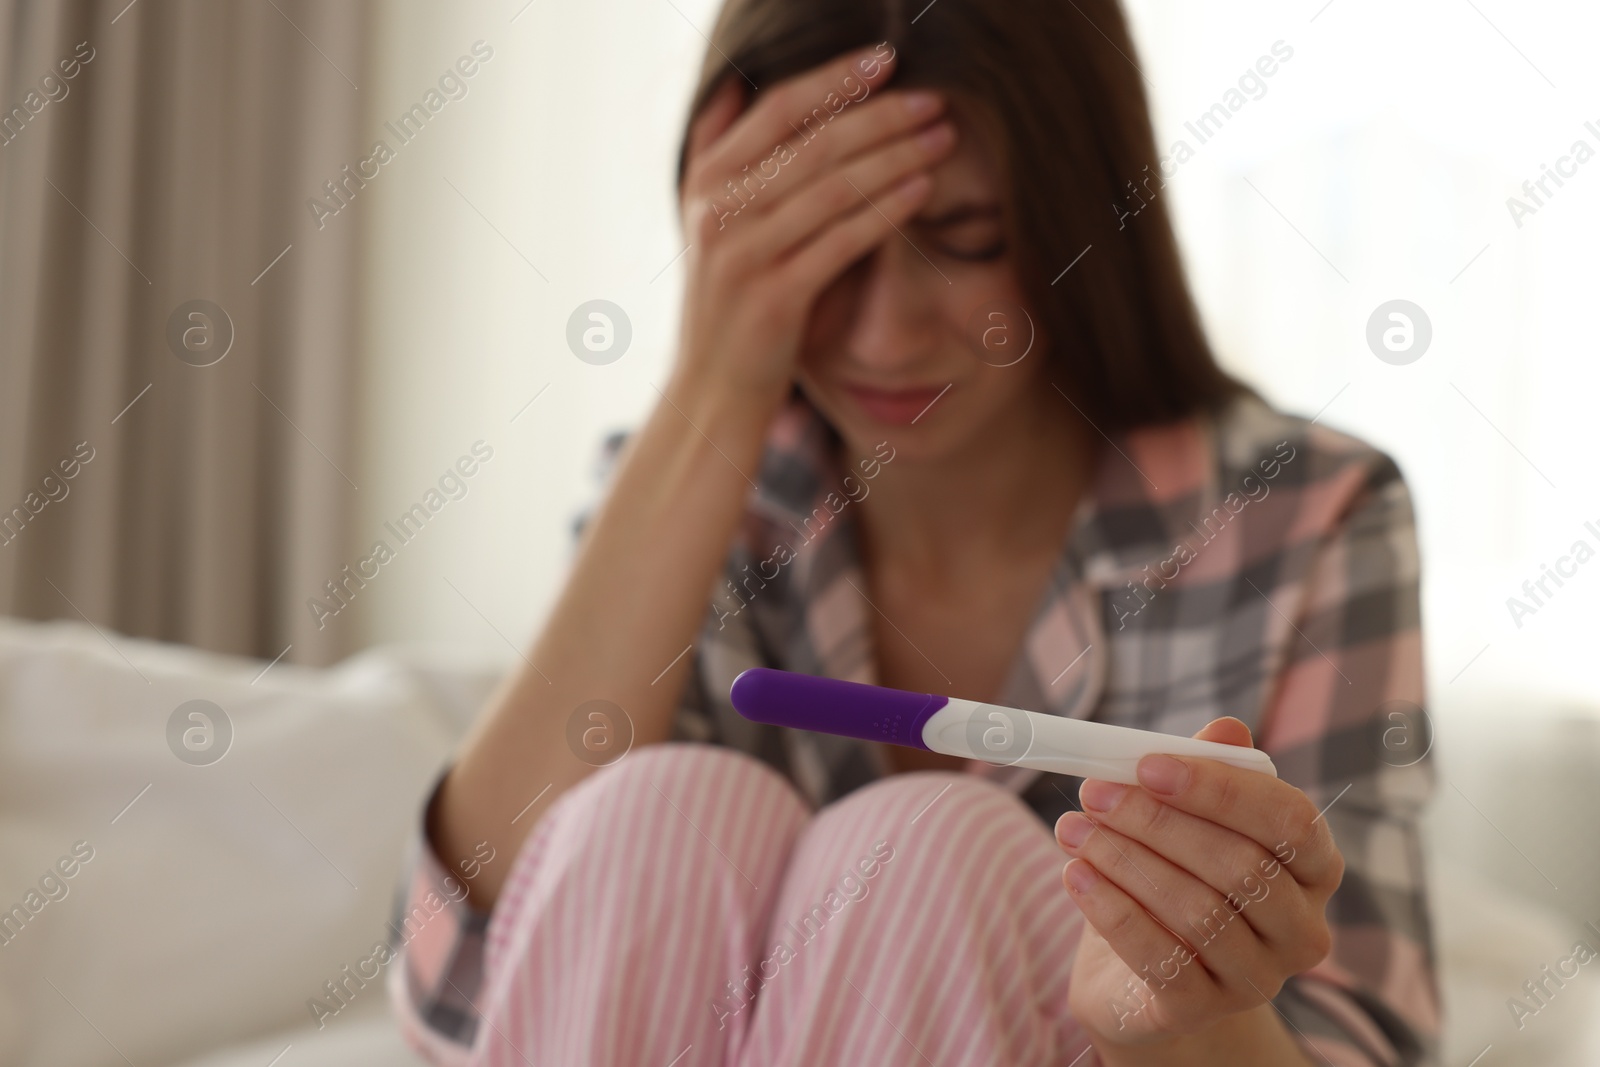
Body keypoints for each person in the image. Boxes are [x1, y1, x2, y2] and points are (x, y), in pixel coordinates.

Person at [387, 0, 1440, 1064]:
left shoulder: (1309, 513)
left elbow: (1360, 1041)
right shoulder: (696, 494)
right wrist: (710, 388)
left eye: (966, 240)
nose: (886, 335)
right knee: (652, 808)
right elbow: (459, 984)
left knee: (931, 852)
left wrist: (1174, 1020)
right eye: (819, 249)